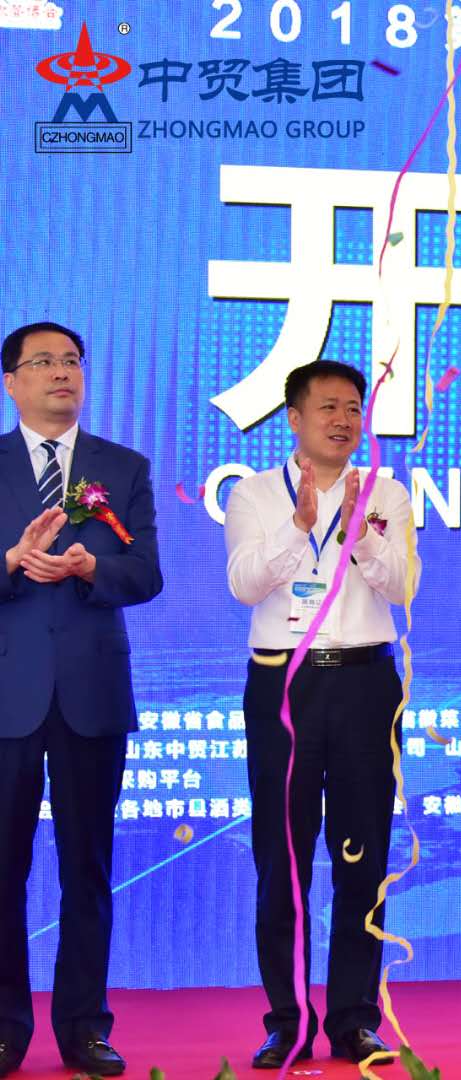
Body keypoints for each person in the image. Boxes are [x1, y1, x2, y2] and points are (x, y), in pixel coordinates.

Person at [224, 360, 413, 1069]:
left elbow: (402, 585)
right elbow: (244, 584)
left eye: (354, 408)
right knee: (283, 857)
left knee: (362, 855)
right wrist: (297, 527)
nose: (343, 419)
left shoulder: (387, 491)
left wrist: (361, 532)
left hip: (366, 683)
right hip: (284, 684)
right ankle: (288, 1021)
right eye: (329, 406)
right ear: (295, 417)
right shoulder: (253, 493)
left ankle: (355, 1019)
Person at [0, 322, 162, 1078]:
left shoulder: (121, 467)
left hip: (92, 692)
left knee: (87, 869)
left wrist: (90, 567)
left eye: (71, 361)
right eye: (43, 362)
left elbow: (146, 574)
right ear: (12, 382)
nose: (62, 372)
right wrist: (11, 562)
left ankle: (84, 1028)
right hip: (7, 693)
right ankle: (5, 1028)